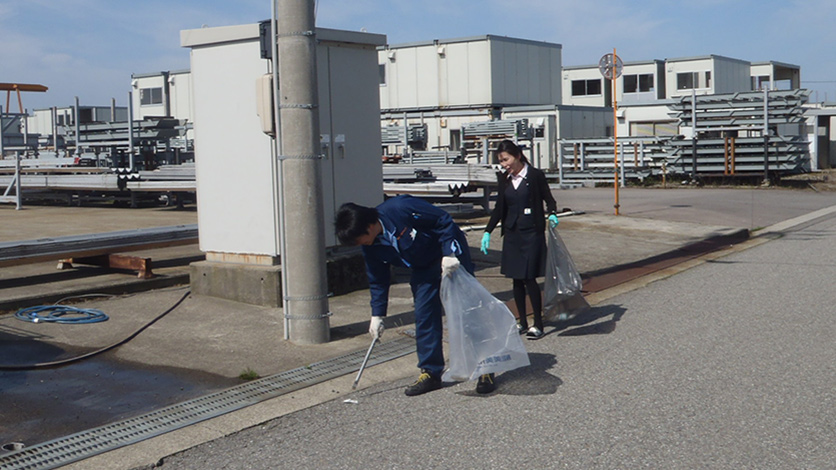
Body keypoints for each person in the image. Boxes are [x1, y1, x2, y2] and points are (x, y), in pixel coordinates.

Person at [335, 195, 497, 395]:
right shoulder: (371, 246)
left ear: (368, 226)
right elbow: (378, 279)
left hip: (449, 254)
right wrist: (377, 315)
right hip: (422, 265)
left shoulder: (401, 208)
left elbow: (443, 220)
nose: (361, 244)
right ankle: (430, 372)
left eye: (359, 239)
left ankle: (486, 366)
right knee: (424, 313)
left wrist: (449, 253)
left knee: (467, 308)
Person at [481, 139, 559, 340]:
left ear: (516, 155)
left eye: (506, 159)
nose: (504, 164)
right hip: (512, 232)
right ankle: (522, 321)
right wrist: (488, 231)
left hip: (531, 232)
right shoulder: (504, 179)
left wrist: (551, 213)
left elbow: (548, 198)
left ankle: (538, 323)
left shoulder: (534, 176)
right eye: (501, 161)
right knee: (516, 278)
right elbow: (500, 207)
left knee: (529, 277)